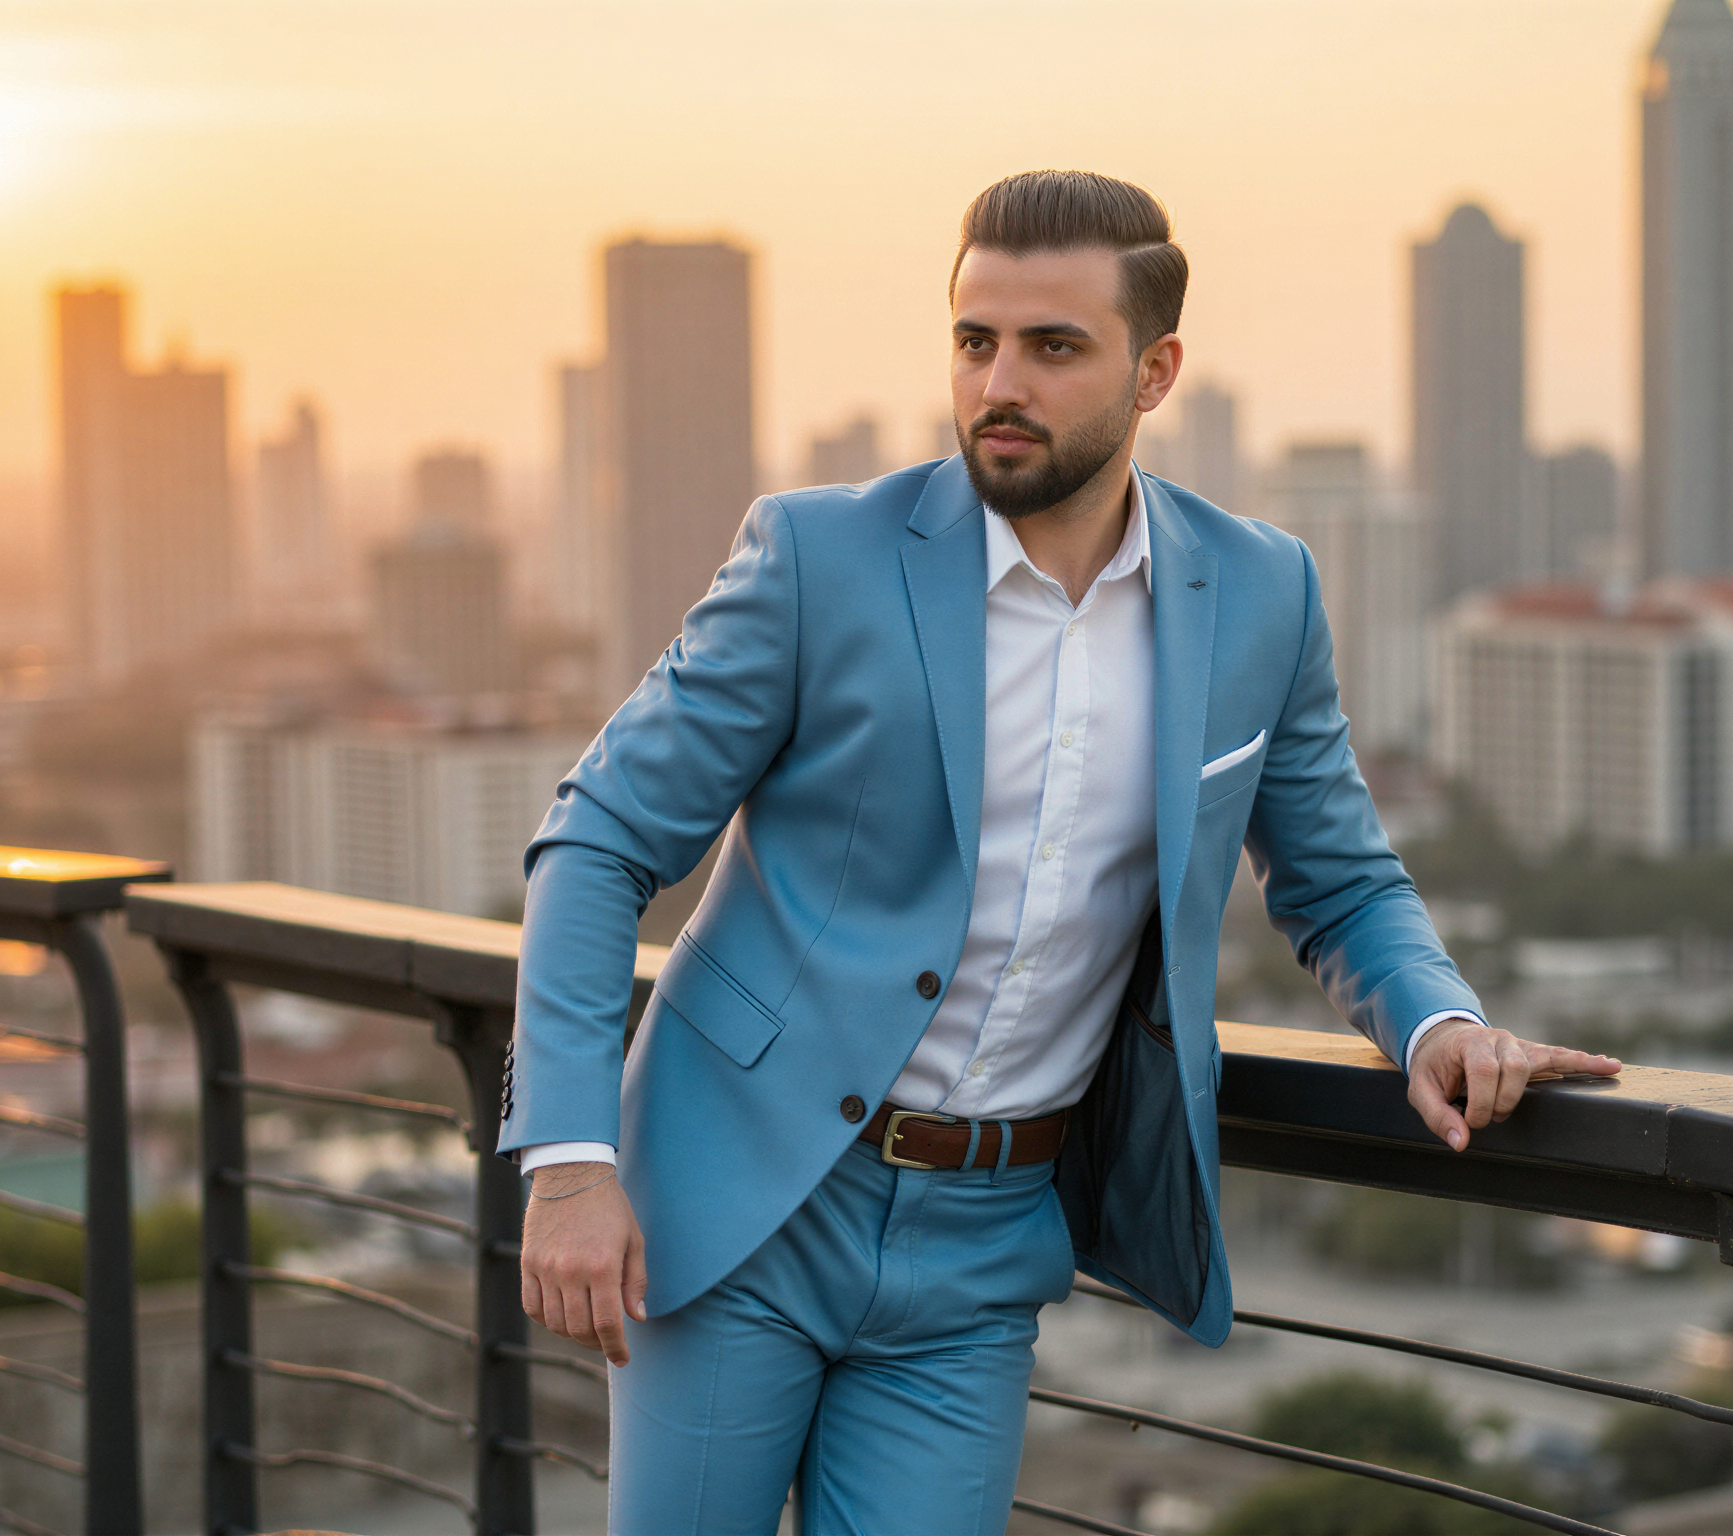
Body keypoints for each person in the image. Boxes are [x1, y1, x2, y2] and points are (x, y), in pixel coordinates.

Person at [500, 169, 1620, 1535]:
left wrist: (1441, 1019)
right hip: (741, 1202)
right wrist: (569, 1159)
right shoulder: (817, 557)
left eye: (1052, 346)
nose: (997, 384)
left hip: (986, 1245)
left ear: (1156, 372)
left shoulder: (1263, 592)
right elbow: (600, 835)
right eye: (975, 341)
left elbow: (1336, 878)